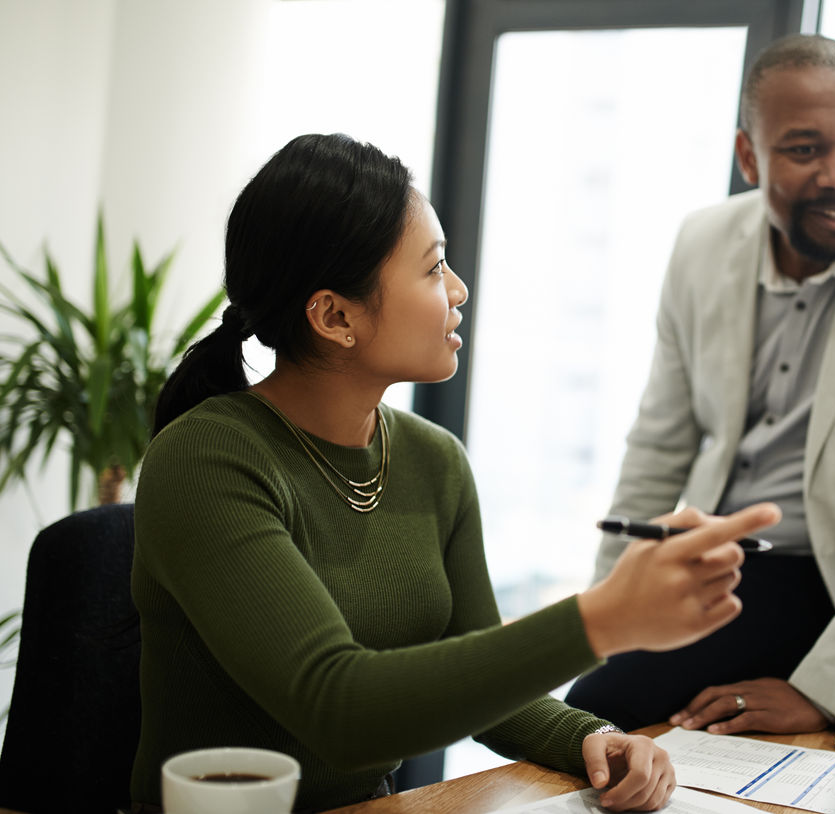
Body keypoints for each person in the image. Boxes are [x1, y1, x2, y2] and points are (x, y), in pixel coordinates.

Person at [129, 133, 780, 812]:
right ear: (334, 315)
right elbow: (340, 709)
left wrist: (590, 737)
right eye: (434, 267)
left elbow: (477, 675)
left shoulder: (431, 459)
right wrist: (603, 619)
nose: (459, 290)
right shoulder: (206, 460)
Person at [565, 34, 835, 735]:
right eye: (806, 149)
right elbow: (659, 445)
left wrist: (825, 692)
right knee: (590, 718)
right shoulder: (701, 243)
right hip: (719, 568)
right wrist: (608, 613)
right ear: (749, 157)